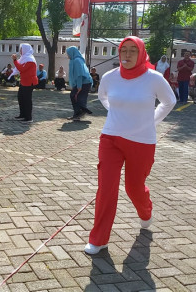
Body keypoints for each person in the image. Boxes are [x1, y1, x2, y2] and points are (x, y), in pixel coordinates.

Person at [84, 36, 176, 255]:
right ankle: (99, 239)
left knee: (133, 188)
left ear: (141, 53)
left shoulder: (153, 78)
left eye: (132, 51)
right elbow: (103, 97)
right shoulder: (109, 77)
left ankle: (146, 212)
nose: (126, 55)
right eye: (123, 50)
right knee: (106, 189)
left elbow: (169, 101)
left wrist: (151, 120)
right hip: (111, 138)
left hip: (142, 142)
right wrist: (118, 115)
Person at [11, 43, 38, 123]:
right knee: (21, 98)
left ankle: (28, 117)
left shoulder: (30, 59)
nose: (20, 51)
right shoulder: (24, 58)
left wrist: (15, 60)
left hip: (29, 82)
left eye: (21, 49)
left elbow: (21, 69)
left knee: (27, 100)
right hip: (24, 81)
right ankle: (22, 115)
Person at [66, 47, 93, 121]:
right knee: (76, 97)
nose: (67, 55)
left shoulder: (77, 60)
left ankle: (81, 112)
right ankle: (78, 114)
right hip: (83, 82)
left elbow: (79, 74)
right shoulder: (73, 60)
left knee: (76, 97)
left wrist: (79, 85)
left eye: (68, 53)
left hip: (84, 82)